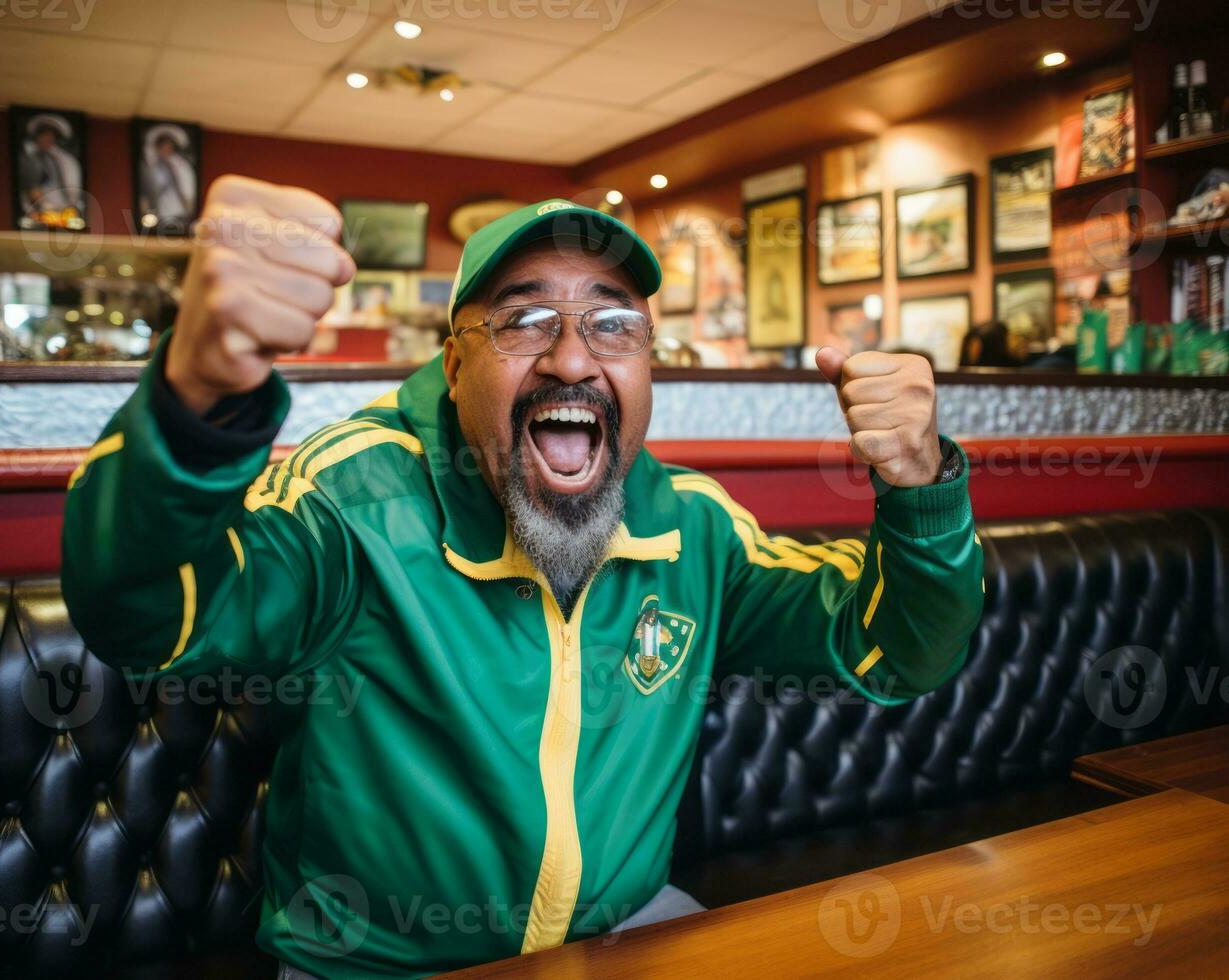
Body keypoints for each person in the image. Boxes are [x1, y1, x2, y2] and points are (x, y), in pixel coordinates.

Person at [62, 176, 984, 979]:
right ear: (453, 360)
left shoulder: (691, 529)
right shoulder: (354, 502)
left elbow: (897, 649)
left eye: (612, 322)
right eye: (524, 319)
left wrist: (918, 483)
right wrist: (192, 400)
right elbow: (150, 616)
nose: (573, 358)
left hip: (628, 939)